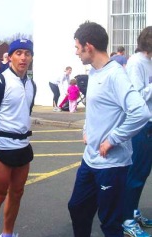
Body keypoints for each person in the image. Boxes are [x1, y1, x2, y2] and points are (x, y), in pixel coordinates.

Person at [67, 21, 150, 237]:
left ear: (89, 46)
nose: (76, 52)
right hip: (90, 159)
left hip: (111, 165)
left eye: (77, 47)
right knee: (77, 207)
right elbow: (95, 108)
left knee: (110, 223)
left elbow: (140, 112)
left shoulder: (115, 74)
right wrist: (87, 128)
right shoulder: (94, 72)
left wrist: (113, 138)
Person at [0, 39, 35, 237]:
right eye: (18, 53)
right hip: (1, 145)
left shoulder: (31, 85)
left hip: (23, 145)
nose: (23, 57)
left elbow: (25, 112)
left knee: (17, 193)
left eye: (27, 53)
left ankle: (7, 234)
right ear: (10, 57)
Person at [122, 26, 152, 237]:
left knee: (143, 173)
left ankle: (133, 211)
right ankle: (126, 220)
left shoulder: (149, 62)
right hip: (142, 125)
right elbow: (136, 97)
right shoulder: (136, 62)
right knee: (136, 174)